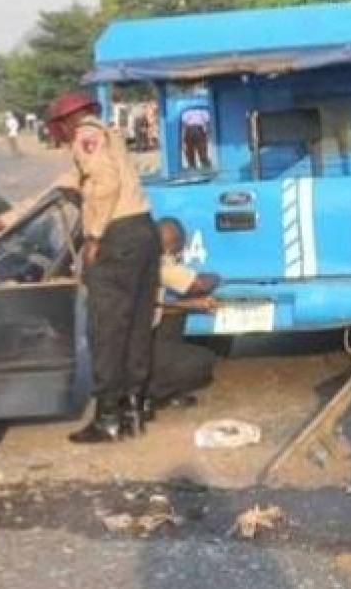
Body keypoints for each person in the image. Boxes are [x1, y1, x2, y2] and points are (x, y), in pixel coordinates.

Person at [39, 92, 160, 445]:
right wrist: (3, 220)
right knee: (137, 324)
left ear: (65, 122)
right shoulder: (110, 135)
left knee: (106, 329)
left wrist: (94, 237)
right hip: (143, 231)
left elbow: (105, 184)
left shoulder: (85, 136)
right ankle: (134, 408)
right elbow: (62, 189)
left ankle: (108, 417)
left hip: (117, 237)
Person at [147, 219, 222, 411]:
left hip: (122, 348)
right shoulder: (162, 265)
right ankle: (152, 393)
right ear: (175, 247)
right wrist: (219, 276)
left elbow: (156, 306)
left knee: (174, 316)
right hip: (136, 354)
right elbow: (200, 284)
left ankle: (159, 390)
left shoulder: (136, 261)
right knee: (203, 362)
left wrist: (190, 305)